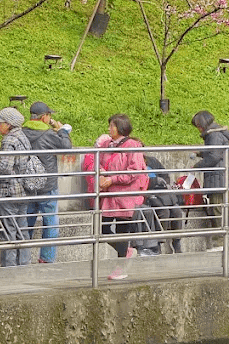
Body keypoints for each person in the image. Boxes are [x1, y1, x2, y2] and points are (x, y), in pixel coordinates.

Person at [84, 114, 147, 281]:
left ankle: (121, 266)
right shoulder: (107, 145)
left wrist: (113, 179)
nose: (109, 129)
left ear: (120, 127)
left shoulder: (132, 146)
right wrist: (102, 173)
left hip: (124, 195)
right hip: (109, 194)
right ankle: (126, 251)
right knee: (102, 229)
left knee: (121, 231)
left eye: (112, 126)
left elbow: (134, 171)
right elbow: (98, 161)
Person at [0, 107, 41, 266]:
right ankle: (24, 263)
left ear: (8, 124)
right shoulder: (22, 137)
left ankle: (9, 267)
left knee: (8, 231)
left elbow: (4, 167)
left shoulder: (9, 140)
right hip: (23, 191)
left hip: (9, 192)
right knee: (22, 229)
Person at [22, 100, 72, 264]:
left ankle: (22, 258)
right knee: (50, 224)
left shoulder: (22, 132)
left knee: (26, 224)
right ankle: (46, 258)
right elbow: (66, 147)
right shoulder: (48, 134)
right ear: (44, 117)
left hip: (27, 187)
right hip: (47, 186)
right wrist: (63, 131)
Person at [190, 110, 229, 247]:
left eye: (198, 125)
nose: (198, 129)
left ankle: (220, 242)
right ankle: (220, 241)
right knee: (218, 208)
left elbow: (214, 156)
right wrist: (200, 153)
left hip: (217, 177)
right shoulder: (216, 133)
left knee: (217, 209)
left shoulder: (214, 135)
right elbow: (215, 152)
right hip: (219, 175)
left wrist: (198, 166)